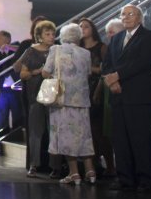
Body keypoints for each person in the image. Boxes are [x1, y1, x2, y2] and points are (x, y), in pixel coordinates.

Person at [101, 4, 151, 193]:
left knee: (140, 139)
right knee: (121, 140)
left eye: (130, 14)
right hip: (118, 95)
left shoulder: (149, 37)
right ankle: (125, 178)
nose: (125, 17)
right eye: (123, 14)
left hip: (139, 96)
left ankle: (146, 179)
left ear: (139, 18)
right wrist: (111, 82)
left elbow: (143, 62)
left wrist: (118, 76)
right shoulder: (116, 38)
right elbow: (107, 63)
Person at [42, 22, 95, 184]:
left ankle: (74, 174)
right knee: (84, 136)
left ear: (63, 36)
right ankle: (90, 171)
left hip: (62, 100)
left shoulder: (55, 50)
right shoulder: (86, 53)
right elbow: (88, 73)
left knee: (66, 137)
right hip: (82, 100)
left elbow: (45, 72)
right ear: (78, 37)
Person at [13, 20, 54, 177]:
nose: (51, 37)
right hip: (35, 95)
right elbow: (22, 73)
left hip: (53, 95)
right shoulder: (31, 51)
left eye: (53, 34)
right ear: (40, 36)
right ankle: (34, 165)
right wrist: (37, 72)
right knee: (36, 132)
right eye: (47, 34)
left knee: (54, 131)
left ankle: (55, 166)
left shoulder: (56, 50)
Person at [78, 16, 112, 177]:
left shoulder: (101, 47)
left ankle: (110, 165)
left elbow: (106, 69)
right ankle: (93, 165)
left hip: (97, 89)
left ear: (92, 29)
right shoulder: (77, 48)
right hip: (80, 90)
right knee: (86, 131)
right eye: (80, 26)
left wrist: (90, 69)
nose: (83, 29)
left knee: (99, 130)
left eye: (86, 26)